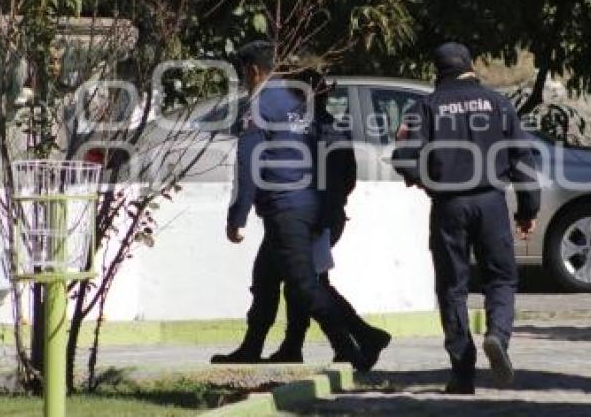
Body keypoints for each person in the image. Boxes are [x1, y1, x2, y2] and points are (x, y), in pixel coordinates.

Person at [209, 42, 381, 370]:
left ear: (252, 70)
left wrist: (238, 215)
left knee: (304, 284)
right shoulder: (301, 102)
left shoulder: (261, 103)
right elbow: (333, 164)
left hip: (285, 207)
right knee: (267, 277)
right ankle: (256, 346)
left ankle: (354, 343)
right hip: (309, 205)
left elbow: (248, 162)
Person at [392, 42, 540, 394]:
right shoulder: (498, 104)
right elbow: (522, 158)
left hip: (448, 206)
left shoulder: (425, 107)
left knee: (452, 288)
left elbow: (404, 158)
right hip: (490, 202)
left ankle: (462, 373)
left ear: (438, 70)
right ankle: (498, 336)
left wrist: (427, 180)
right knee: (501, 279)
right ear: (471, 66)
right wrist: (527, 209)